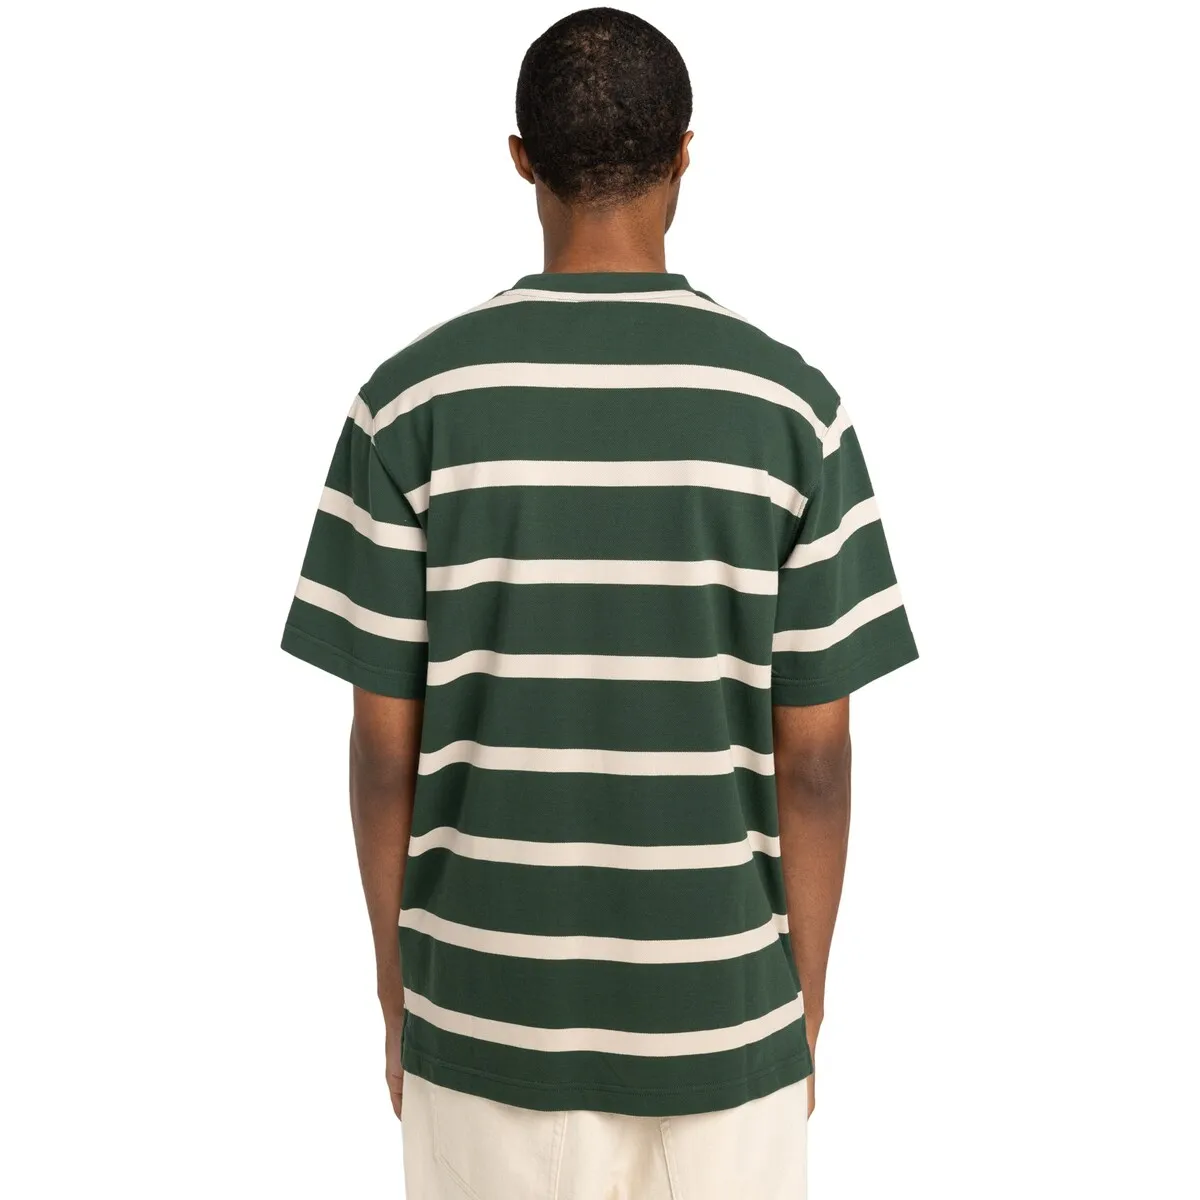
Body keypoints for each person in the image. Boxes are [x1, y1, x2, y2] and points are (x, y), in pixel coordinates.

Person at [281, 8, 918, 1197]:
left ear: (520, 158)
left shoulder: (409, 405)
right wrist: (803, 1001)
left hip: (481, 1015)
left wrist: (397, 987)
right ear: (687, 154)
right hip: (725, 1020)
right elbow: (818, 761)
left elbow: (382, 748)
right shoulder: (794, 412)